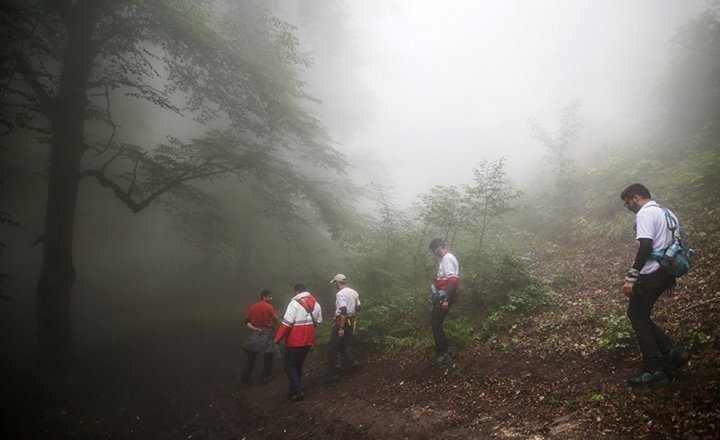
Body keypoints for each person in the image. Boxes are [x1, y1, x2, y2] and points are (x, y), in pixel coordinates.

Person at [620, 183, 690, 387]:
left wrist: (632, 276)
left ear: (636, 197)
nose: (629, 208)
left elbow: (646, 246)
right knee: (639, 315)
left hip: (651, 273)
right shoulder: (667, 213)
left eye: (627, 203)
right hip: (665, 273)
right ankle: (671, 352)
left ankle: (654, 370)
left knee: (636, 315)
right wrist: (668, 277)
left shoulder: (645, 214)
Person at [274, 283, 323, 401]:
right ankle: (293, 391)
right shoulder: (316, 304)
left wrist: (277, 338)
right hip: (309, 340)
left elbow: (287, 323)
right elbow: (319, 321)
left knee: (289, 366)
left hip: (295, 340)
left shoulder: (294, 304)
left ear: (296, 292)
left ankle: (297, 390)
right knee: (298, 365)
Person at [428, 238, 460, 366]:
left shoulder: (447, 258)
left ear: (438, 247)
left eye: (434, 250)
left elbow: (453, 280)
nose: (434, 252)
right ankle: (444, 350)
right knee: (436, 322)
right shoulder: (443, 260)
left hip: (445, 297)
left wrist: (446, 298)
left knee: (435, 322)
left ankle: (443, 352)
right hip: (442, 296)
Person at [240, 289, 278, 387]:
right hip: (267, 333)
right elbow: (275, 320)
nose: (271, 298)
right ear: (264, 297)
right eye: (270, 297)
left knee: (251, 357)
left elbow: (246, 322)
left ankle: (245, 380)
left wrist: (255, 329)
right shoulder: (269, 307)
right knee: (268, 354)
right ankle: (266, 376)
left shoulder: (252, 307)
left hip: (256, 333)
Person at [327, 274, 361, 380]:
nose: (334, 286)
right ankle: (353, 362)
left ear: (338, 283)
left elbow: (343, 310)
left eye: (335, 284)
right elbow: (359, 307)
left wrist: (341, 327)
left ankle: (334, 374)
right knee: (342, 345)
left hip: (342, 322)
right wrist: (352, 314)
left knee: (332, 348)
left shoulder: (340, 294)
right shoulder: (354, 292)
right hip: (351, 322)